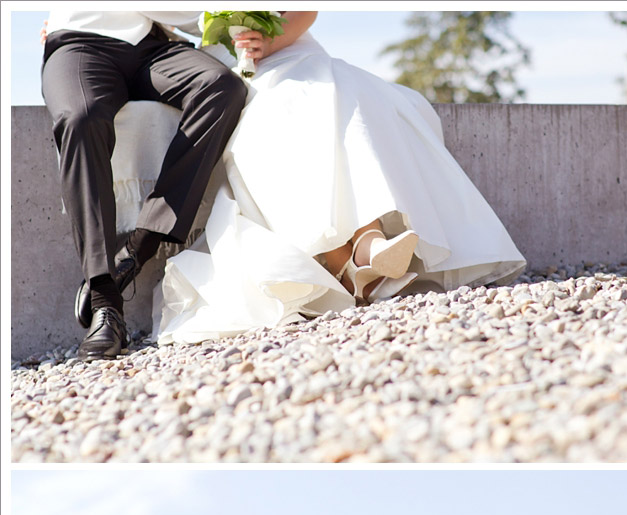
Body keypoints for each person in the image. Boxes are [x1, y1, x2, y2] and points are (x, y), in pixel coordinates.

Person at [155, 12, 526, 343]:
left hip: (297, 52)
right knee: (282, 117)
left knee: (347, 96)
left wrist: (270, 39)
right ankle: (352, 264)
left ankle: (367, 243)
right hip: (229, 73)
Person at [40, 8, 248, 360]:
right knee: (81, 118)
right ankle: (106, 305)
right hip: (78, 43)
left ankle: (140, 247)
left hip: (151, 46)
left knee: (221, 87)